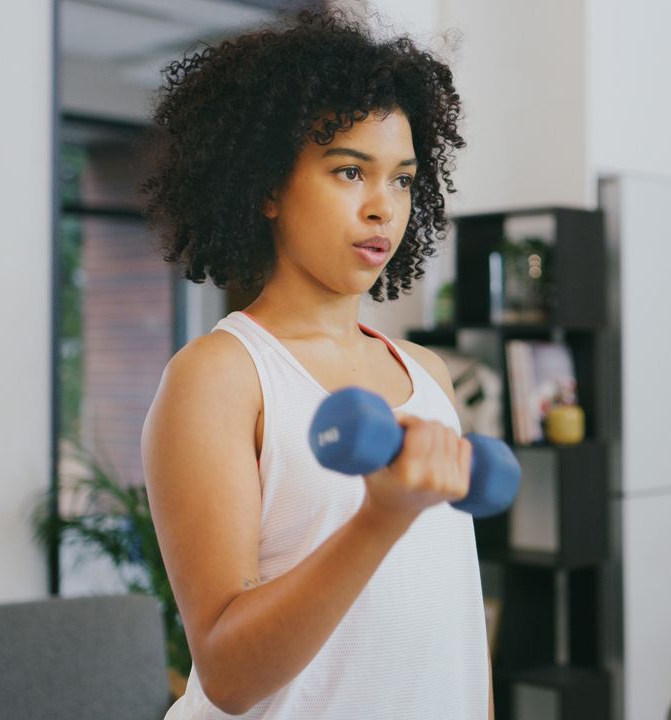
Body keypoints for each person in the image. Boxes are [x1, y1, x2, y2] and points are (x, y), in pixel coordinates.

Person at [138, 9, 491, 718]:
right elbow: (230, 674)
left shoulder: (426, 372)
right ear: (267, 187)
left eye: (401, 180)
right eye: (350, 170)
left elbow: (454, 619)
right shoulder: (220, 378)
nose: (381, 209)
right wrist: (379, 518)